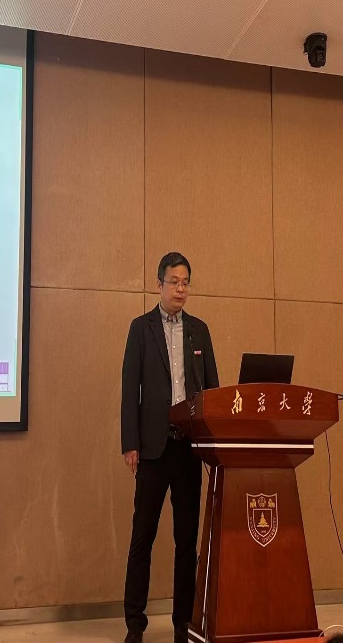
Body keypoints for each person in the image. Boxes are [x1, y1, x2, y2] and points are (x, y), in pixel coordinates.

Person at [121, 252, 219, 643]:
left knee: (185, 542)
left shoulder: (199, 331)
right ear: (159, 284)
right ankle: (134, 623)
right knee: (142, 538)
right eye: (174, 281)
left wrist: (212, 441)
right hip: (152, 449)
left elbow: (212, 390)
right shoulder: (140, 328)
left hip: (187, 449)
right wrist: (130, 443)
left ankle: (182, 623)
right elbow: (130, 389)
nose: (180, 289)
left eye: (185, 282)